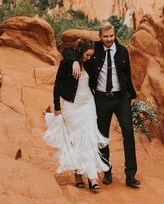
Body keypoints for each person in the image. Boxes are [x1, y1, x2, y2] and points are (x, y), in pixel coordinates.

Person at [63, 22, 140, 187]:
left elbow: (127, 74)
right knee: (102, 137)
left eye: (111, 36)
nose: (109, 39)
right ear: (100, 37)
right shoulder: (94, 49)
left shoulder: (122, 51)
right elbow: (69, 49)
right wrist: (74, 62)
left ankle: (131, 174)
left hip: (121, 98)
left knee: (128, 132)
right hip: (101, 99)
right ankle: (107, 171)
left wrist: (132, 95)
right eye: (106, 37)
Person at [43, 39, 109, 190]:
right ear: (80, 52)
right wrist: (57, 107)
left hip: (88, 105)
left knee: (89, 139)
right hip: (71, 106)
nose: (88, 58)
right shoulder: (67, 63)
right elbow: (57, 85)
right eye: (86, 55)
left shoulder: (90, 62)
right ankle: (78, 174)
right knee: (75, 141)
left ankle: (92, 177)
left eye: (91, 55)